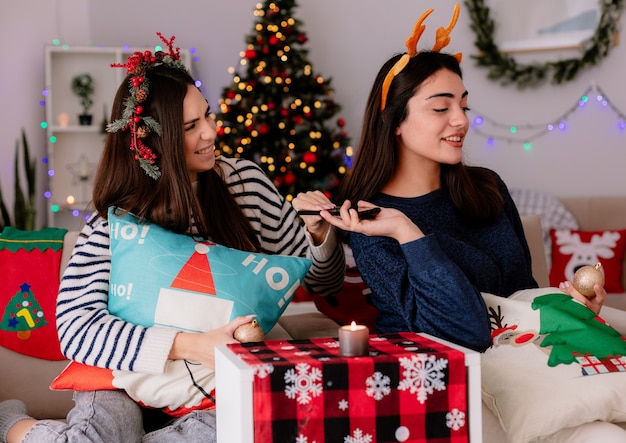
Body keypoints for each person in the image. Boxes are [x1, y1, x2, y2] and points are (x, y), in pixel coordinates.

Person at [0, 33, 344, 443]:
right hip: (123, 377)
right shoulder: (113, 220)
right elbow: (76, 328)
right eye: (190, 127)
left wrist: (321, 236)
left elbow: (324, 283)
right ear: (151, 141)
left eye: (208, 117)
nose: (211, 133)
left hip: (214, 387)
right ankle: (10, 423)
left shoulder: (246, 186)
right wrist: (190, 346)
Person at [319, 4, 609, 353]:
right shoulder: (372, 222)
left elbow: (523, 293)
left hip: (525, 355)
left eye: (464, 106)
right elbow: (460, 335)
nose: (461, 120)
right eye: (442, 108)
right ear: (394, 121)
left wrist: (570, 309)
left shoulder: (487, 188)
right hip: (442, 373)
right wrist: (408, 233)